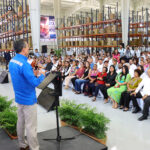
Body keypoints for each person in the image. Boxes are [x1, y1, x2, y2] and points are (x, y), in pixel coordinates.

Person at [9, 39, 45, 150]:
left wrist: (31, 74)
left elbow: (20, 77)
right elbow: (34, 82)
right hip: (29, 99)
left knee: (20, 122)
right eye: (28, 46)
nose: (29, 48)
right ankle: (34, 148)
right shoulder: (25, 64)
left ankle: (22, 144)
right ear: (24, 49)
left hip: (19, 97)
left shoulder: (12, 61)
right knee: (31, 126)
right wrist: (42, 75)